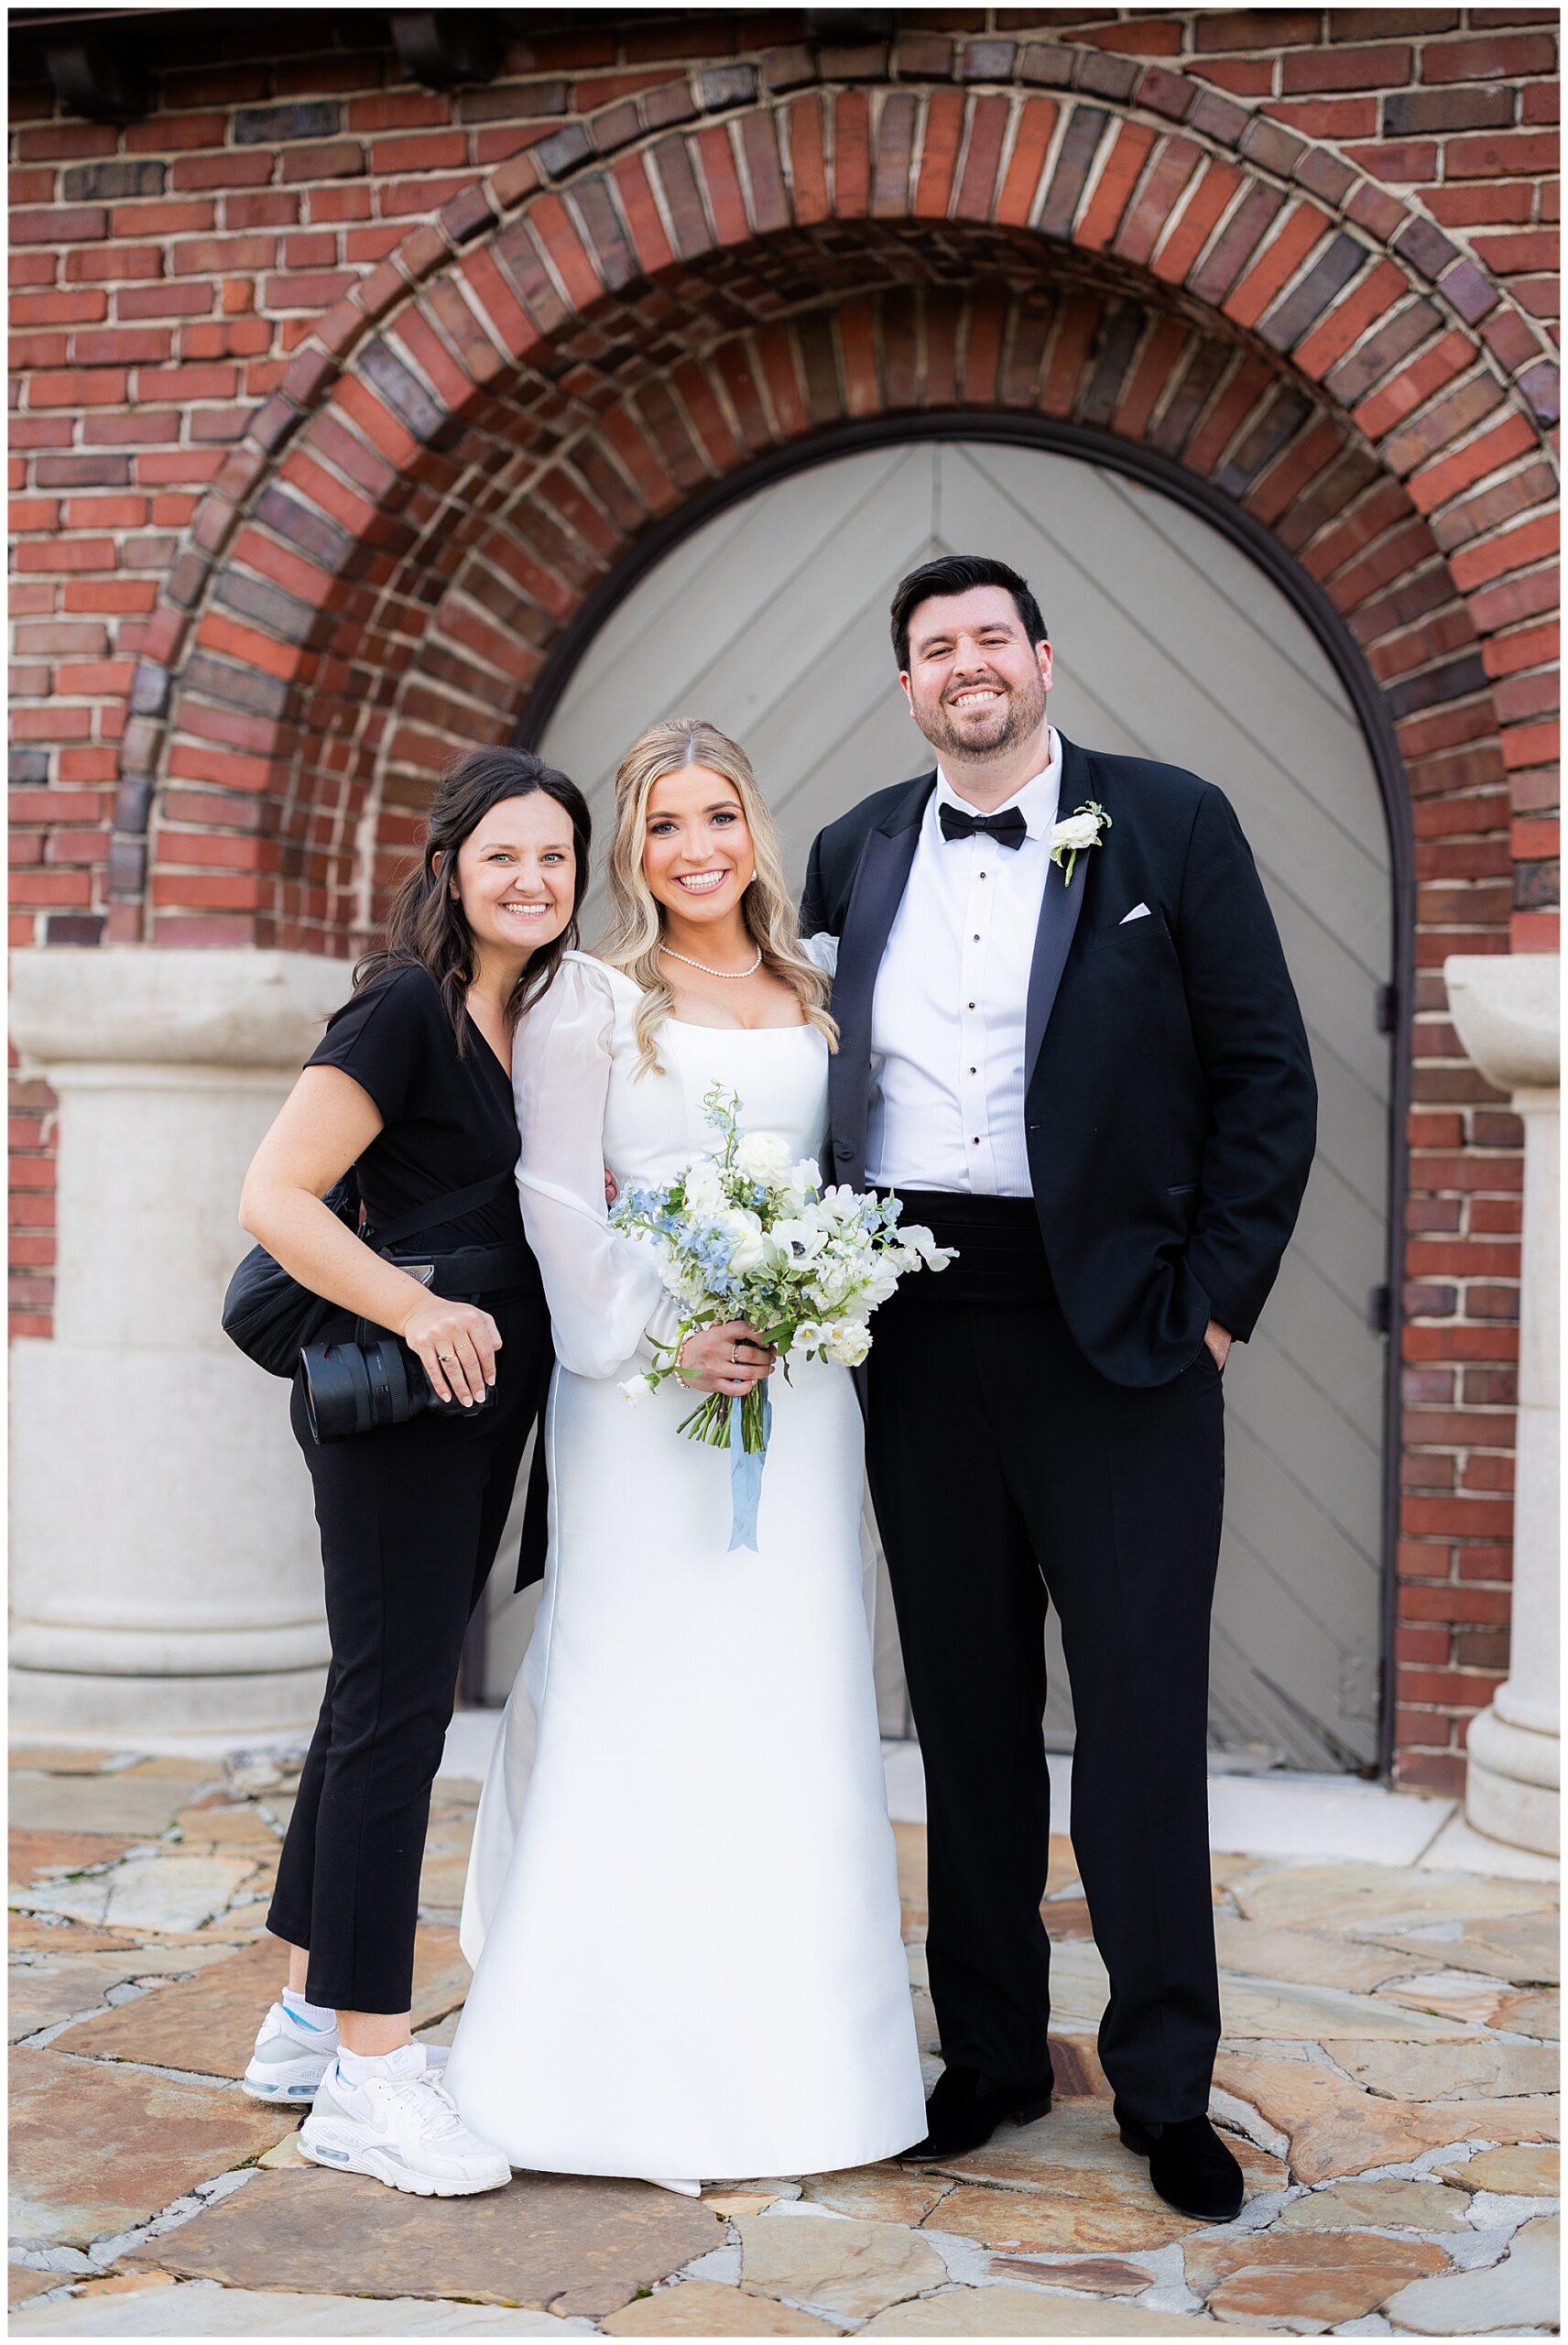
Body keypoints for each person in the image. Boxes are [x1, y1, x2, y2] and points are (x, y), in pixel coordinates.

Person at [800, 553, 1317, 2223]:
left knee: (1142, 1724)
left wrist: (1213, 1312)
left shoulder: (1171, 823)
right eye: (934, 647)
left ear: (1042, 657)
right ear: (906, 685)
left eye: (990, 639)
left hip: (1125, 1341)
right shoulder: (853, 849)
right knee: (964, 1719)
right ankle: (995, 2059)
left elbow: (1268, 1082)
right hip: (917, 1335)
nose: (967, 666)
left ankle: (1167, 2088)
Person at [444, 717, 924, 2191]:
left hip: (801, 1396)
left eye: (718, 817)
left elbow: (858, 1176)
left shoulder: (826, 986)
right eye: (662, 824)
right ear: (629, 854)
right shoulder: (593, 999)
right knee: (631, 1681)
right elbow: (557, 1201)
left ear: (754, 831)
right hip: (641, 1396)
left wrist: (811, 1295)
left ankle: (801, 2074)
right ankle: (588, 2066)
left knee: (788, 1692)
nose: (695, 848)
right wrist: (670, 1339)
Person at [236, 747, 591, 2197]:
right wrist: (420, 1307)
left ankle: (308, 2017)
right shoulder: (405, 1003)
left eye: (558, 859)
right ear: (451, 867)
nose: (533, 880)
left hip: (474, 1411)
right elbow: (273, 1193)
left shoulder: (527, 1014)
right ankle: (375, 2077)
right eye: (505, 855)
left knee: (375, 1694)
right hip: (402, 1404)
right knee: (395, 1715)